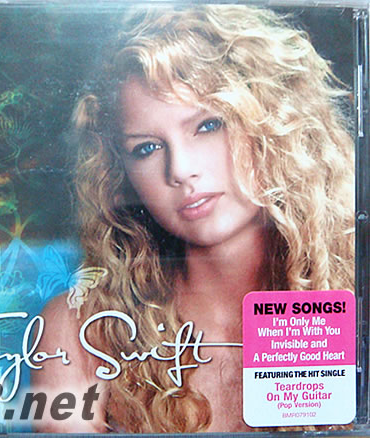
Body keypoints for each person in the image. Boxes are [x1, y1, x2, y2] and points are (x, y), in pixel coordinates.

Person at [33, 5, 354, 433]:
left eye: (208, 125)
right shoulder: (80, 331)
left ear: (276, 124)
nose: (180, 170)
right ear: (119, 175)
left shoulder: (355, 302)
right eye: (147, 148)